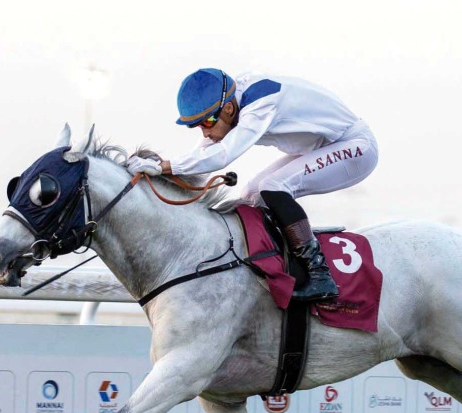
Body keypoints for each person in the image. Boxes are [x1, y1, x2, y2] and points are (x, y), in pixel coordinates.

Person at [127, 68, 378, 302]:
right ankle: (274, 265)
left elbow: (223, 154)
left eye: (206, 122)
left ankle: (319, 274)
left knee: (273, 186)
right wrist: (161, 170)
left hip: (355, 147)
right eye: (197, 126)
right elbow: (201, 156)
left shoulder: (260, 103)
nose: (204, 132)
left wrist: (164, 167)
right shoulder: (232, 103)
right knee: (250, 195)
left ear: (227, 109)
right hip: (324, 147)